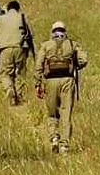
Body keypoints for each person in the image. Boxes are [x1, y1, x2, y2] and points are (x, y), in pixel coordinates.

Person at [34, 21, 88, 154]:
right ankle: (64, 145)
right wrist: (76, 66)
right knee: (66, 113)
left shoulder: (46, 45)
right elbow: (84, 60)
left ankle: (53, 136)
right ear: (64, 31)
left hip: (50, 81)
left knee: (52, 113)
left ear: (52, 32)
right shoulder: (72, 44)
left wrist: (37, 83)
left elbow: (38, 65)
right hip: (67, 80)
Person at [0, 1, 33, 106]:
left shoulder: (0, 18)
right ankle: (20, 96)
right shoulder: (23, 17)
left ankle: (9, 88)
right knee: (20, 73)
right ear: (18, 8)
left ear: (8, 8)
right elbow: (31, 34)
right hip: (20, 47)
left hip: (4, 49)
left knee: (5, 74)